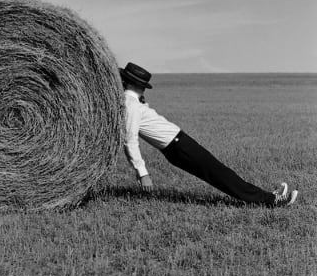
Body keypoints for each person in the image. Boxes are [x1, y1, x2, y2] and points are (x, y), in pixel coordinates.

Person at [120, 62, 298, 207]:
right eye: (143, 85)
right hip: (178, 147)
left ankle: (266, 196)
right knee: (221, 174)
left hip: (178, 145)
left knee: (220, 173)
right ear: (138, 84)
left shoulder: (133, 102)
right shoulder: (131, 105)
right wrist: (142, 173)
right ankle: (271, 201)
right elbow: (130, 140)